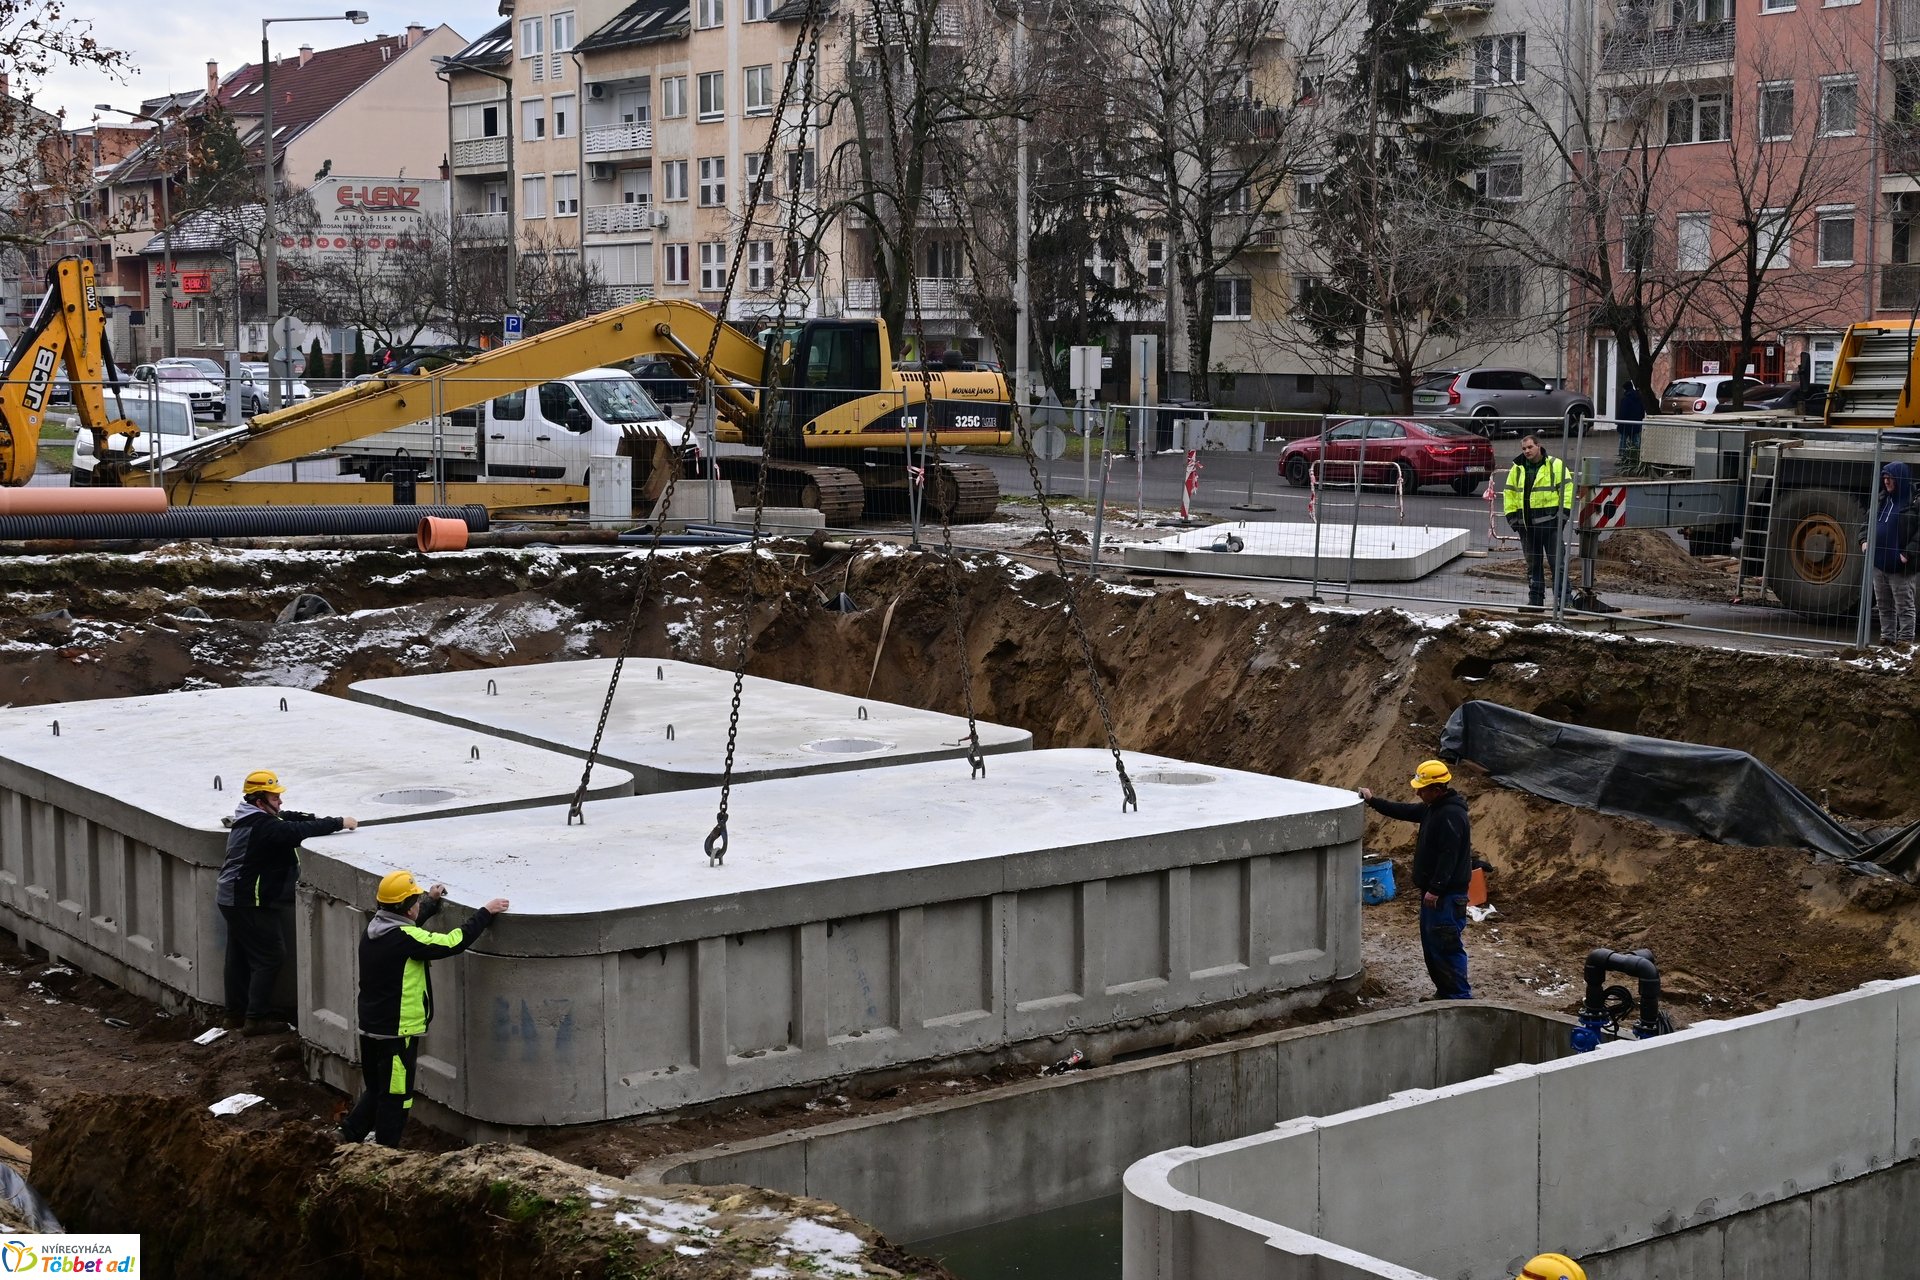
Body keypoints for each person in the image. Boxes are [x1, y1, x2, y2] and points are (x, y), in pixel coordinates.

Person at [341, 870, 509, 1146]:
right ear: (407, 908)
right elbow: (453, 942)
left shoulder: (374, 929)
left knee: (377, 1088)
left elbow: (407, 923)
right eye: (416, 901)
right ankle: (386, 1154)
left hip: (371, 1027)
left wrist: (430, 902)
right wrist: (485, 912)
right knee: (397, 1096)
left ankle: (347, 1135)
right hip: (397, 1033)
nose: (418, 905)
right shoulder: (406, 940)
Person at [216, 769, 357, 1035]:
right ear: (260, 801)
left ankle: (234, 1015)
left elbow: (288, 819)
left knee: (238, 956)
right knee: (270, 956)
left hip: (233, 897)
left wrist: (318, 818)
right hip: (248, 900)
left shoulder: (251, 816)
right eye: (275, 796)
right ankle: (255, 1020)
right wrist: (339, 822)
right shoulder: (263, 826)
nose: (280, 801)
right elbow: (293, 831)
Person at [1358, 760, 1474, 1000]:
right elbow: (1404, 811)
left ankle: (1458, 998)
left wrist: (1436, 889)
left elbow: (1448, 856)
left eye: (1422, 789)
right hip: (1435, 894)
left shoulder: (1450, 814)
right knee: (1433, 947)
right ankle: (1446, 993)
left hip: (1445, 896)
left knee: (1446, 945)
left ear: (1437, 789)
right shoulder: (1434, 807)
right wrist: (1373, 801)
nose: (1417, 792)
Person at [1502, 434, 1575, 608]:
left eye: (1530, 447)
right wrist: (1513, 520)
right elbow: (1509, 494)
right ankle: (1535, 601)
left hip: (1550, 526)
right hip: (1527, 527)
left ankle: (1565, 601)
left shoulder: (1555, 465)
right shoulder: (1517, 468)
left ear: (1538, 446)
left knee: (1557, 564)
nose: (1527, 451)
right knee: (1533, 566)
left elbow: (1567, 491)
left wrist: (1561, 518)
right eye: (1524, 448)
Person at [1862, 461, 1920, 644]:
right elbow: (1868, 521)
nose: (1886, 481)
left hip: (1900, 565)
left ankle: (1904, 645)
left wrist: (1908, 553)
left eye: (1890, 478)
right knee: (1884, 605)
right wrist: (1863, 540)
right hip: (1879, 562)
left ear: (1900, 478)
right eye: (1885, 478)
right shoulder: (1882, 499)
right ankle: (1886, 641)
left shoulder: (1913, 503)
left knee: (1904, 606)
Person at [1616, 384, 1645, 467]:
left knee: (1623, 442)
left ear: (1625, 389)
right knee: (1636, 441)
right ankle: (1637, 456)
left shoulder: (1625, 399)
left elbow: (1622, 413)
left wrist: (1619, 423)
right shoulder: (1639, 398)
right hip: (1636, 424)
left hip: (1625, 425)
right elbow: (1642, 412)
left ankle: (1622, 458)